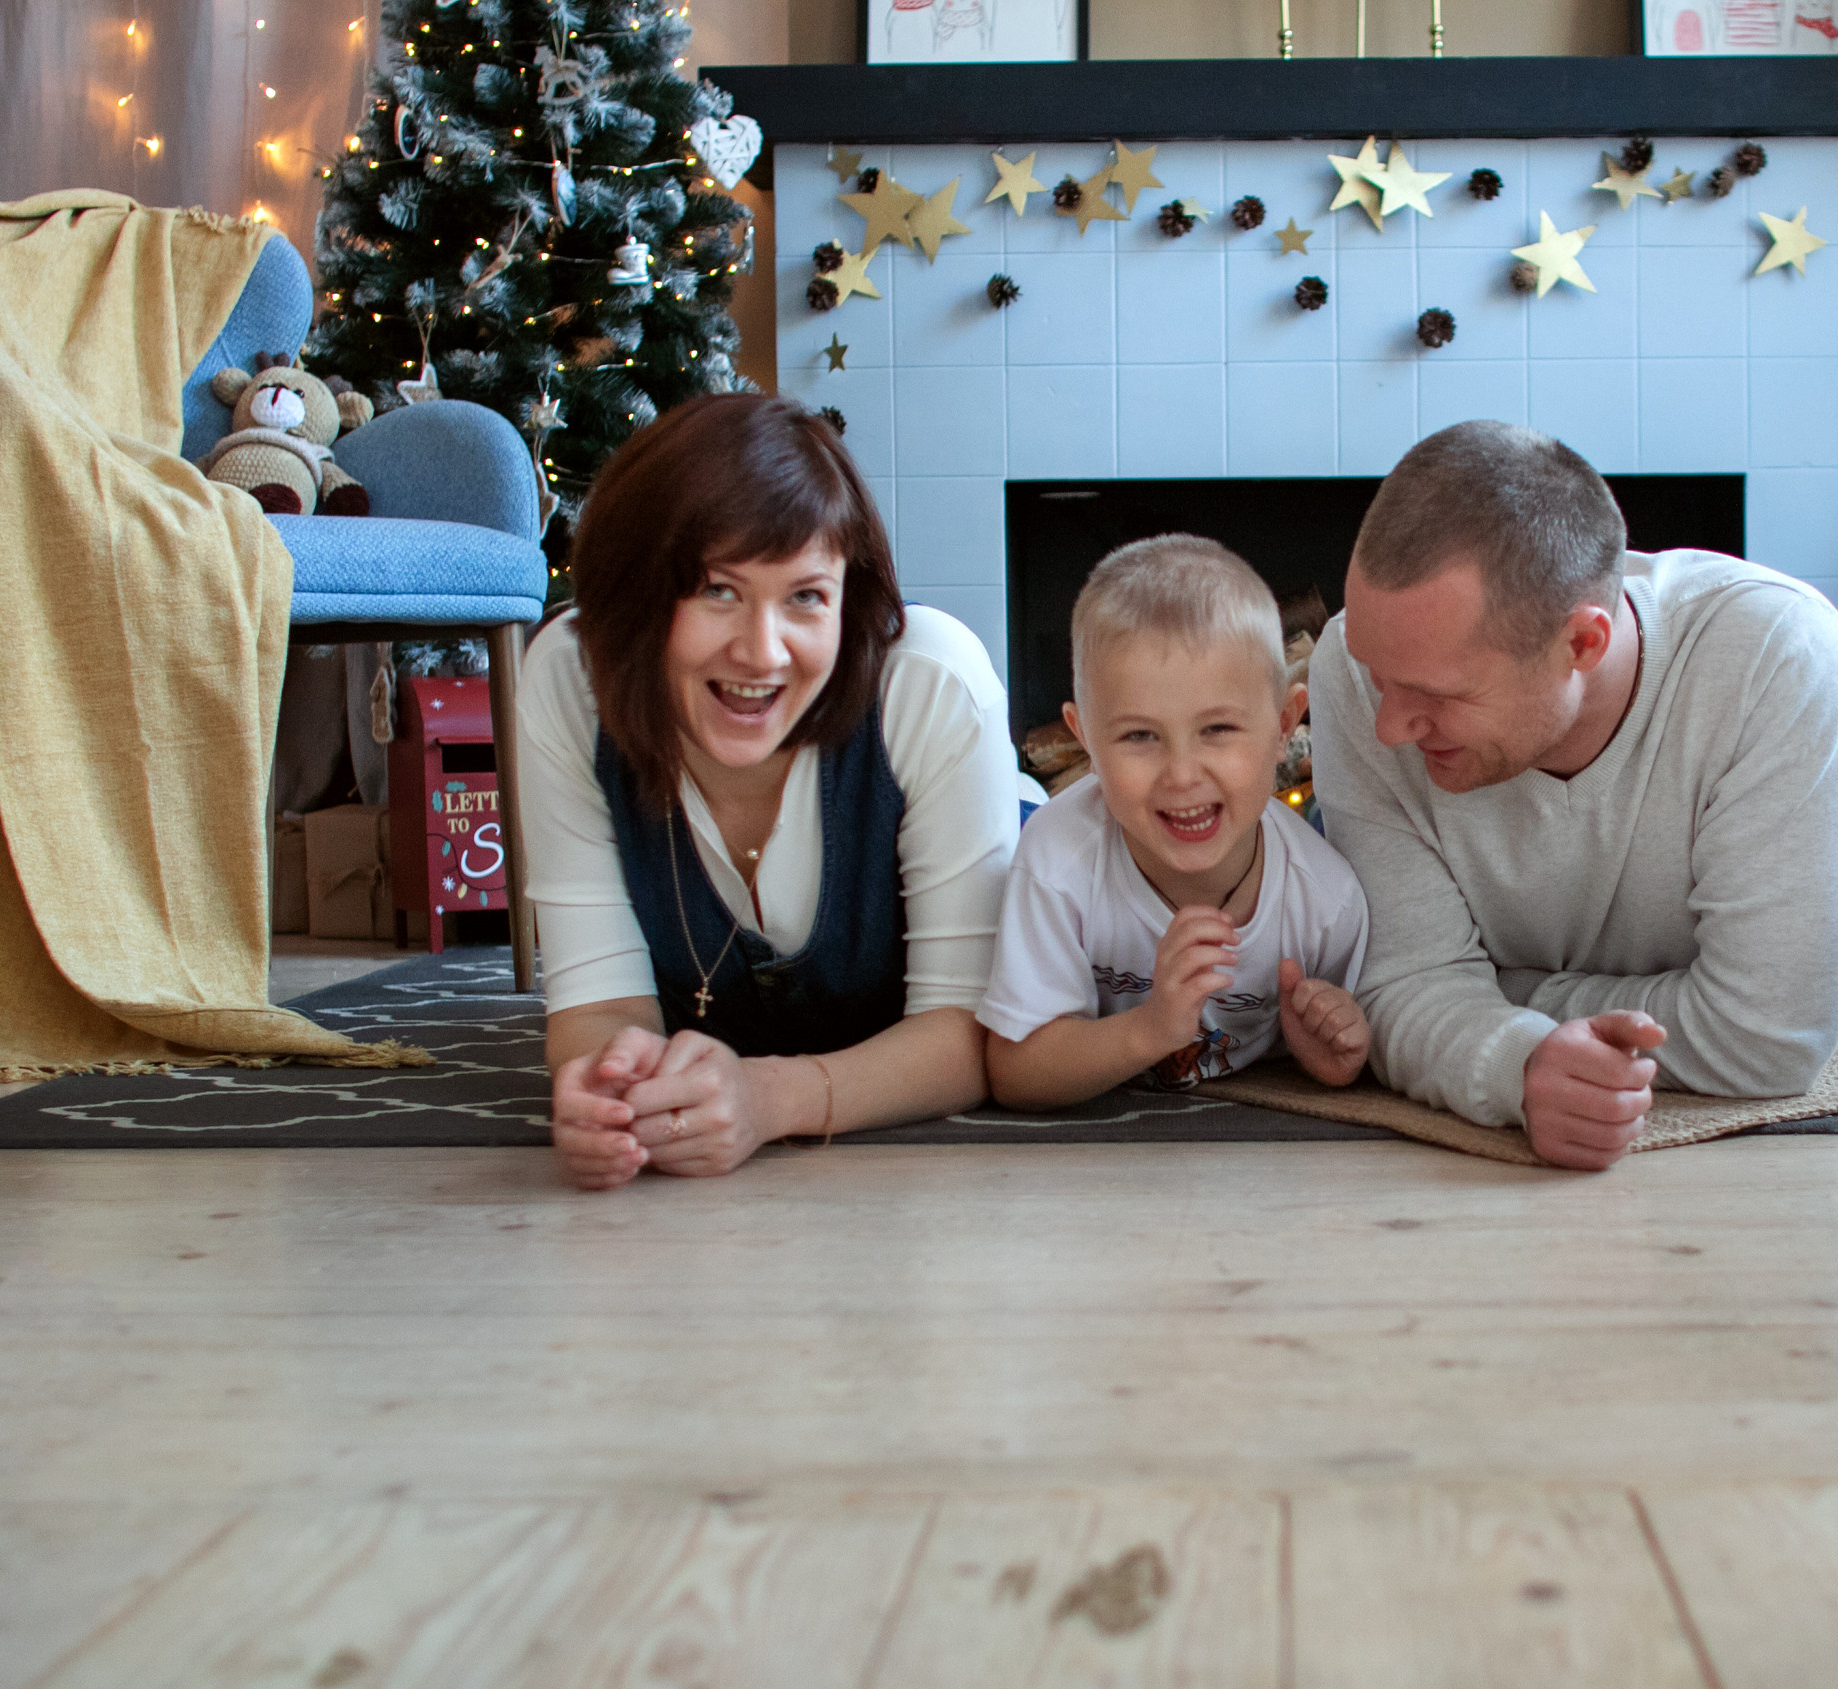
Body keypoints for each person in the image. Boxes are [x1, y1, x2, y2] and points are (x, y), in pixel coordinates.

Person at [1310, 421, 1838, 1171]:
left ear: (1583, 644)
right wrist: (1522, 1066)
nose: (1388, 726)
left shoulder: (1777, 660)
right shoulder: (1353, 671)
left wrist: (1494, 998)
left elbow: (1767, 1040)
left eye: (1433, 693)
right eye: (1379, 675)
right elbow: (1395, 989)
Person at [520, 394, 1027, 1188]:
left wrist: (767, 1098)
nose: (762, 653)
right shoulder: (569, 678)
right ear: (636, 595)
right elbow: (596, 1004)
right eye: (717, 590)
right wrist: (613, 1089)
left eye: (806, 597)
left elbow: (974, 1034)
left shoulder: (932, 680)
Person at [979, 535, 1371, 1108]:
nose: (1182, 775)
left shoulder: (1327, 902)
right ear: (1084, 736)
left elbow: (1350, 1047)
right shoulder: (1057, 862)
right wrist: (1150, 1029)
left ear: (1285, 723)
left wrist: (1327, 1053)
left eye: (1217, 730)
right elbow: (1016, 1072)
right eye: (1140, 736)